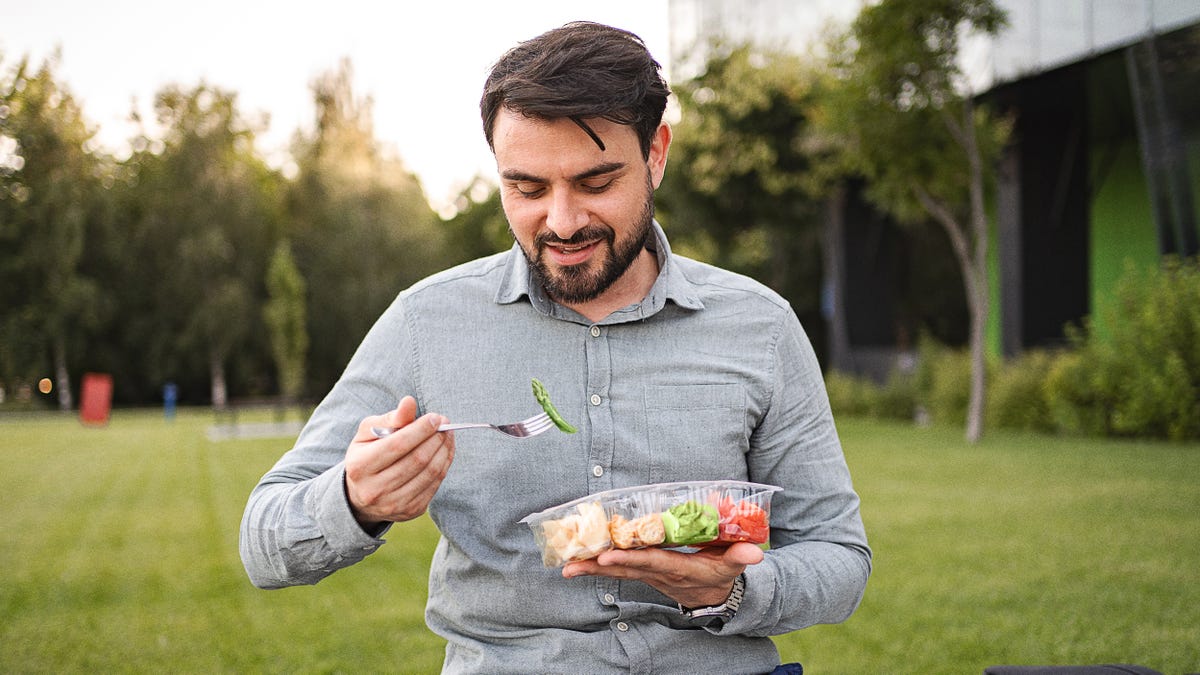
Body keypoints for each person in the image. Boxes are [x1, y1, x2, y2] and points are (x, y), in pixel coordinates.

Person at [240, 21, 870, 673]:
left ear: (656, 152)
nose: (562, 221)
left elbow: (839, 556)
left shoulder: (759, 326)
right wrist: (352, 499)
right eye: (528, 188)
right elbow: (263, 542)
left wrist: (732, 588)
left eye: (596, 182)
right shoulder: (428, 322)